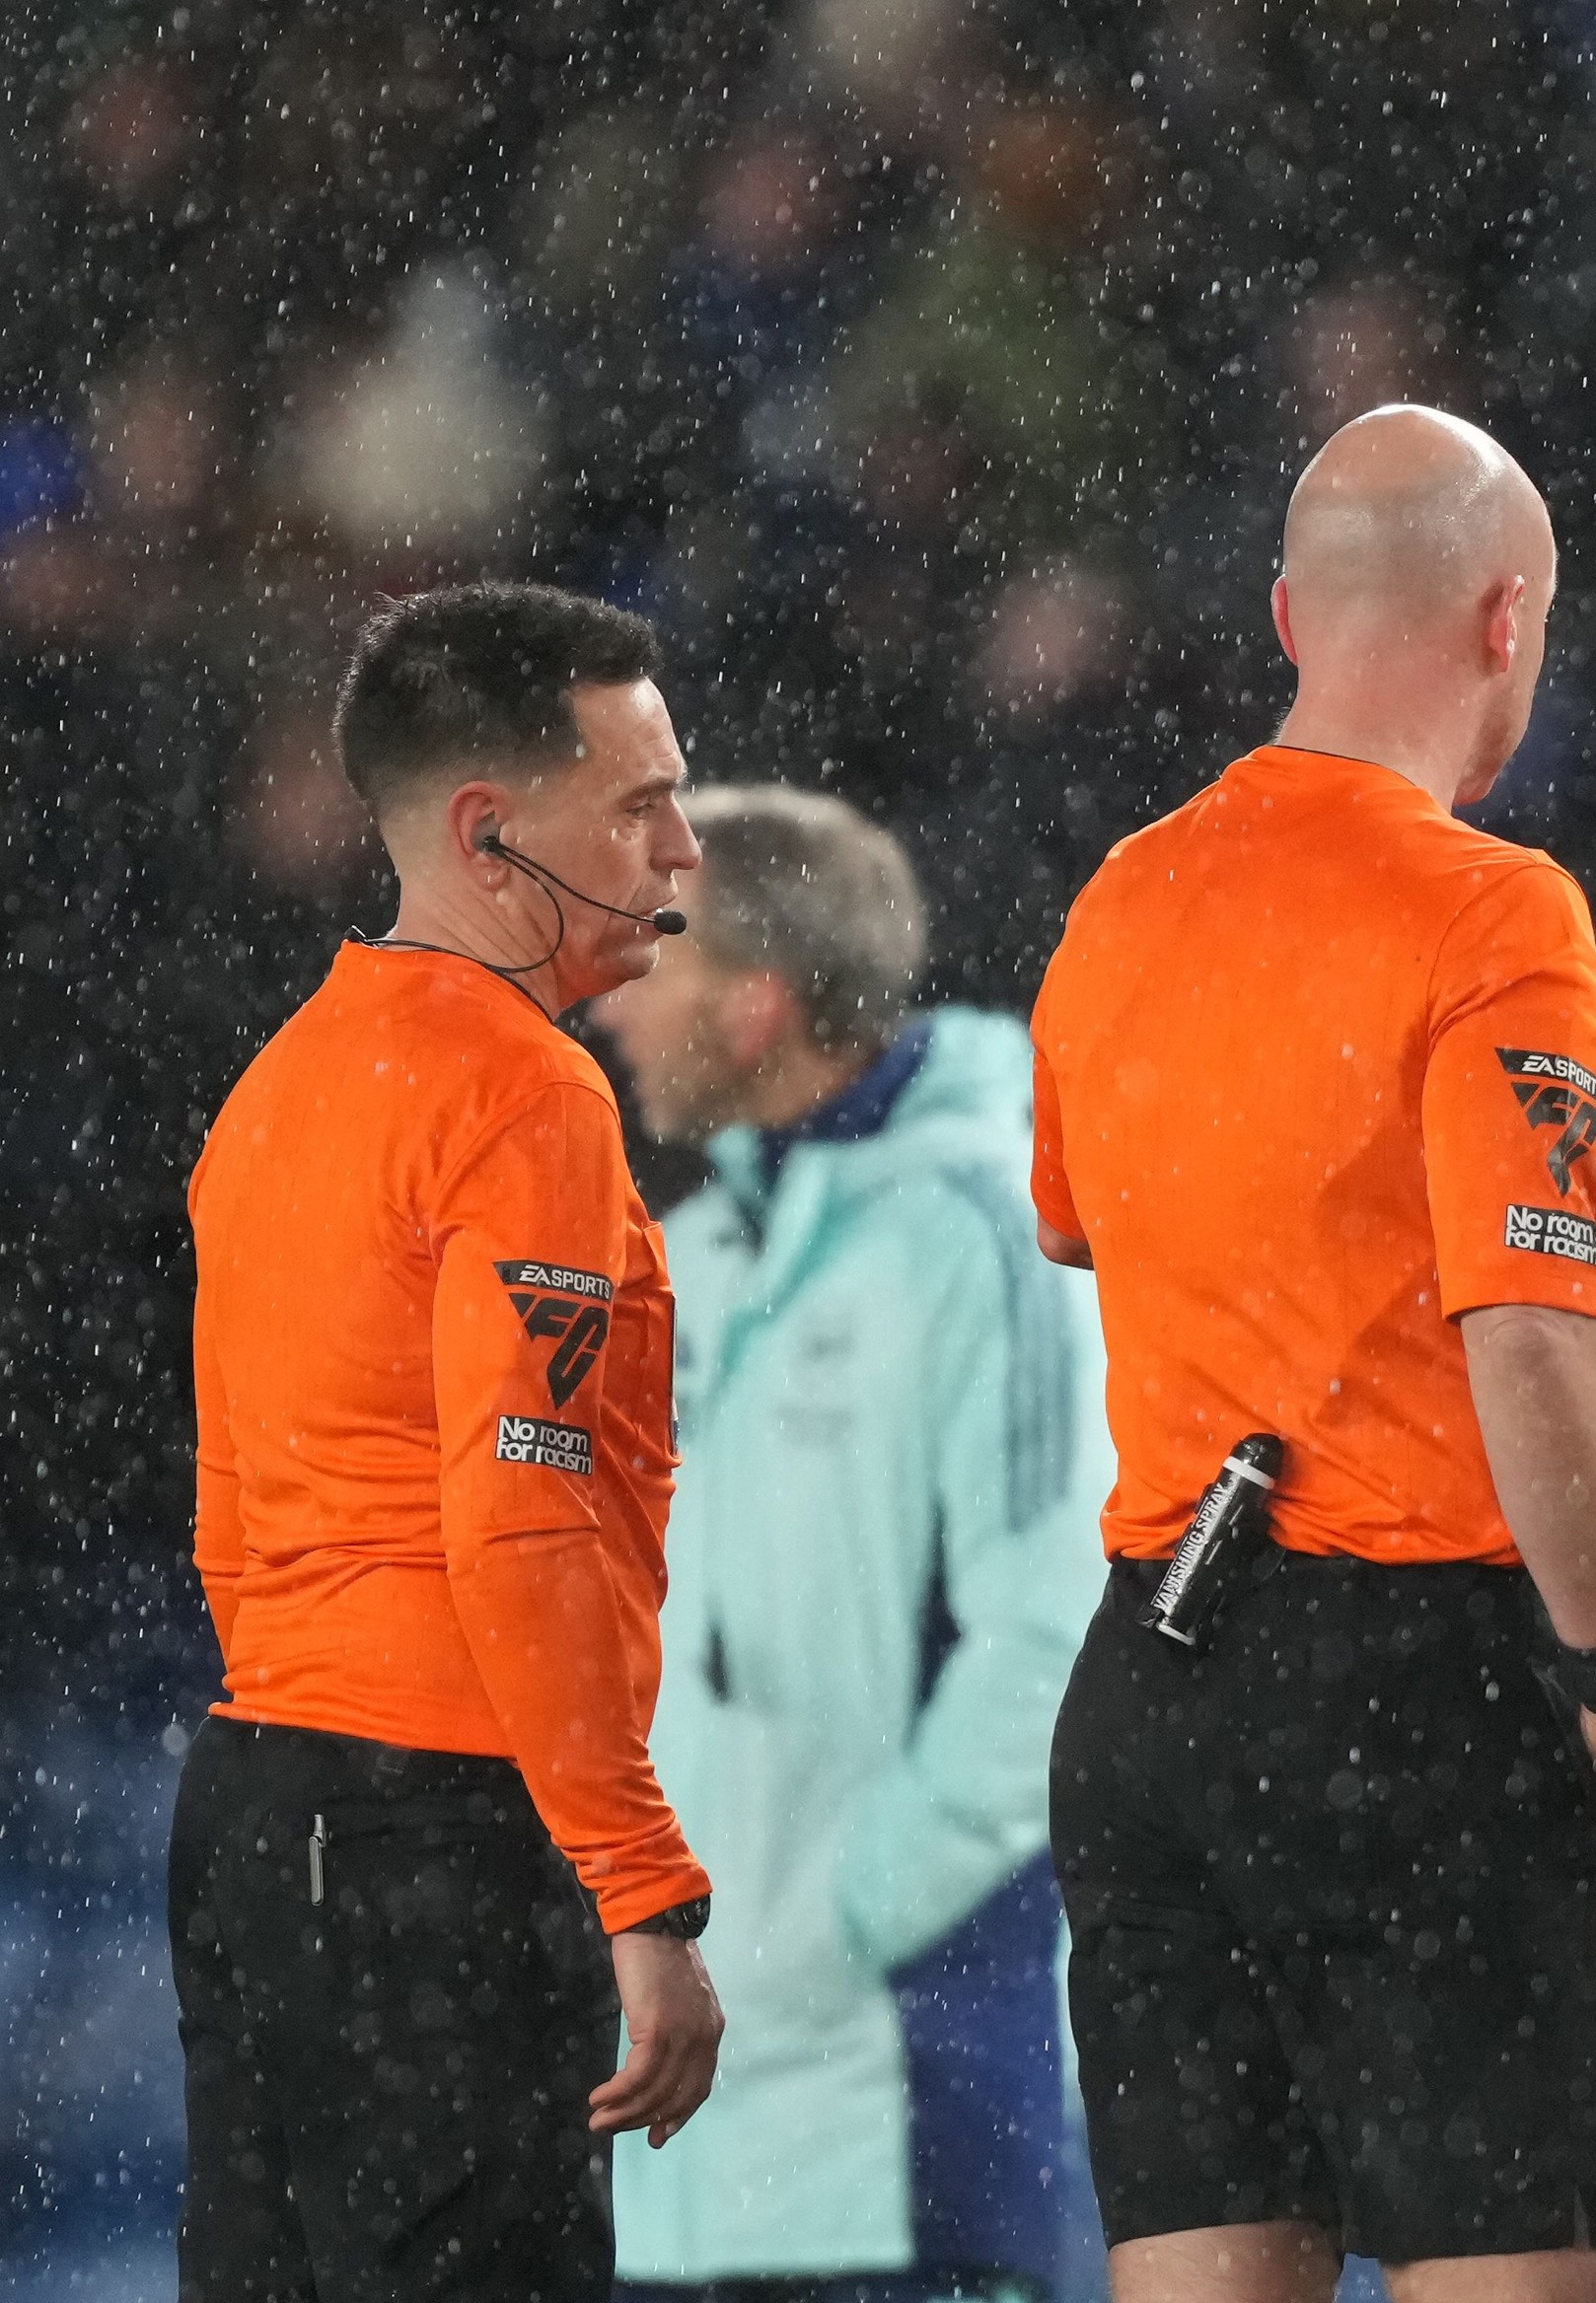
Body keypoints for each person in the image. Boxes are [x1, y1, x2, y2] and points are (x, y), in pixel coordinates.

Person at [1033, 403, 1596, 2303]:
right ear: (1509, 624)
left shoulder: (1120, 898)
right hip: (1405, 1697)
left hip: (1151, 1685)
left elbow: (1078, 1223)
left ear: (1284, 617)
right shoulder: (1494, 912)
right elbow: (1534, 1329)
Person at [175, 582, 723, 2300]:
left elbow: (226, 1516)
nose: (683, 850)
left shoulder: (277, 1086)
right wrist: (642, 1888)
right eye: (638, 805)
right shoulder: (525, 1089)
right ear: (492, 832)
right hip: (435, 1836)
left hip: (259, 1807)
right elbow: (522, 1515)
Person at [598, 786, 1115, 2303]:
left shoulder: (983, 1240)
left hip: (912, 2119)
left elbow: (1053, 1646)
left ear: (757, 1006)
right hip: (692, 2151)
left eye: (656, 968)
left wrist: (817, 1940)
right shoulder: (680, 1263)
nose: (617, 1010)